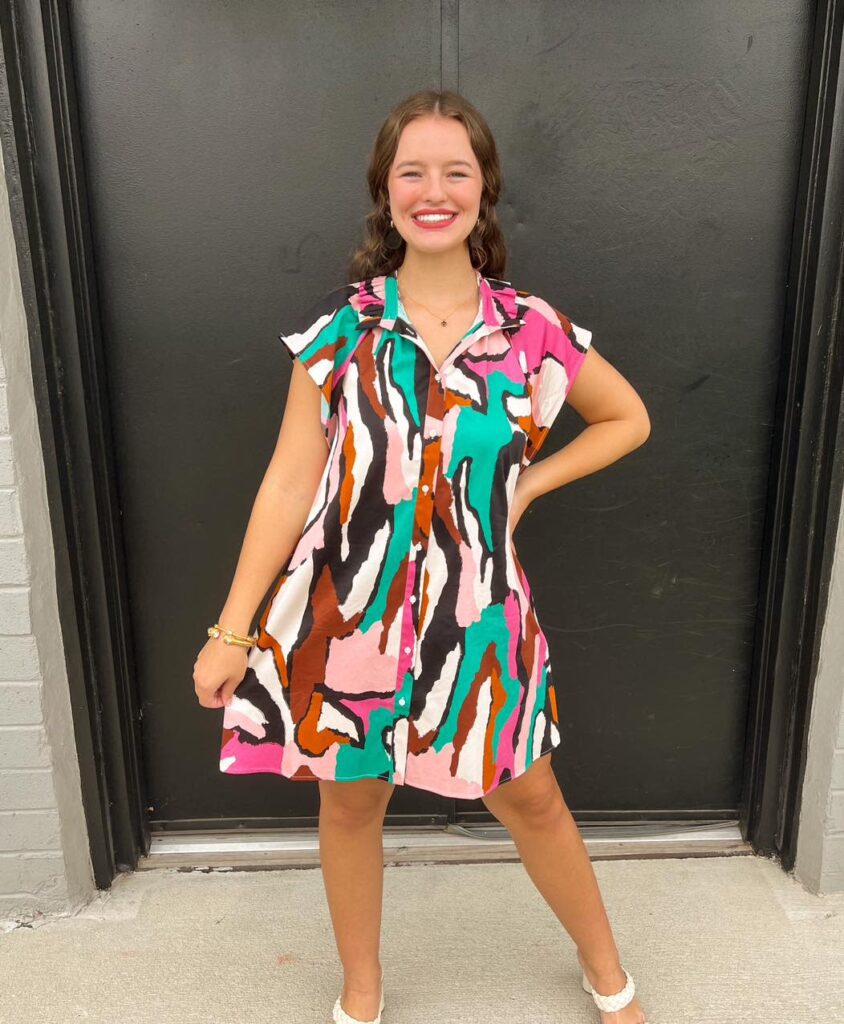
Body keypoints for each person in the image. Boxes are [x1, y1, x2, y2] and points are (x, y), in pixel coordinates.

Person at [194, 89, 651, 1024]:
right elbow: (286, 486)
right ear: (385, 190)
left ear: (485, 190)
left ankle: (609, 973)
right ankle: (362, 988)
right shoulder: (339, 333)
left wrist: (525, 487)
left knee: (532, 800)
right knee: (350, 804)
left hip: (479, 621)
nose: (433, 190)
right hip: (346, 618)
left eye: (456, 171)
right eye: (413, 172)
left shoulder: (532, 332)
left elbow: (627, 418)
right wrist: (231, 630)